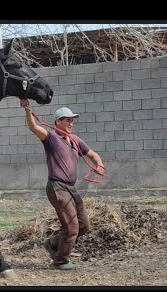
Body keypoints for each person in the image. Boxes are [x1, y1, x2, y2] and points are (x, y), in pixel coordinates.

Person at [20, 99, 106, 270]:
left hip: (70, 188)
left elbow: (93, 154)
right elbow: (33, 127)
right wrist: (28, 109)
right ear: (57, 122)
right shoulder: (50, 137)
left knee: (83, 225)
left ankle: (52, 244)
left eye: (72, 120)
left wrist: (100, 165)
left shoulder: (75, 140)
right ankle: (60, 261)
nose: (71, 123)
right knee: (71, 227)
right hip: (57, 186)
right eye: (67, 120)